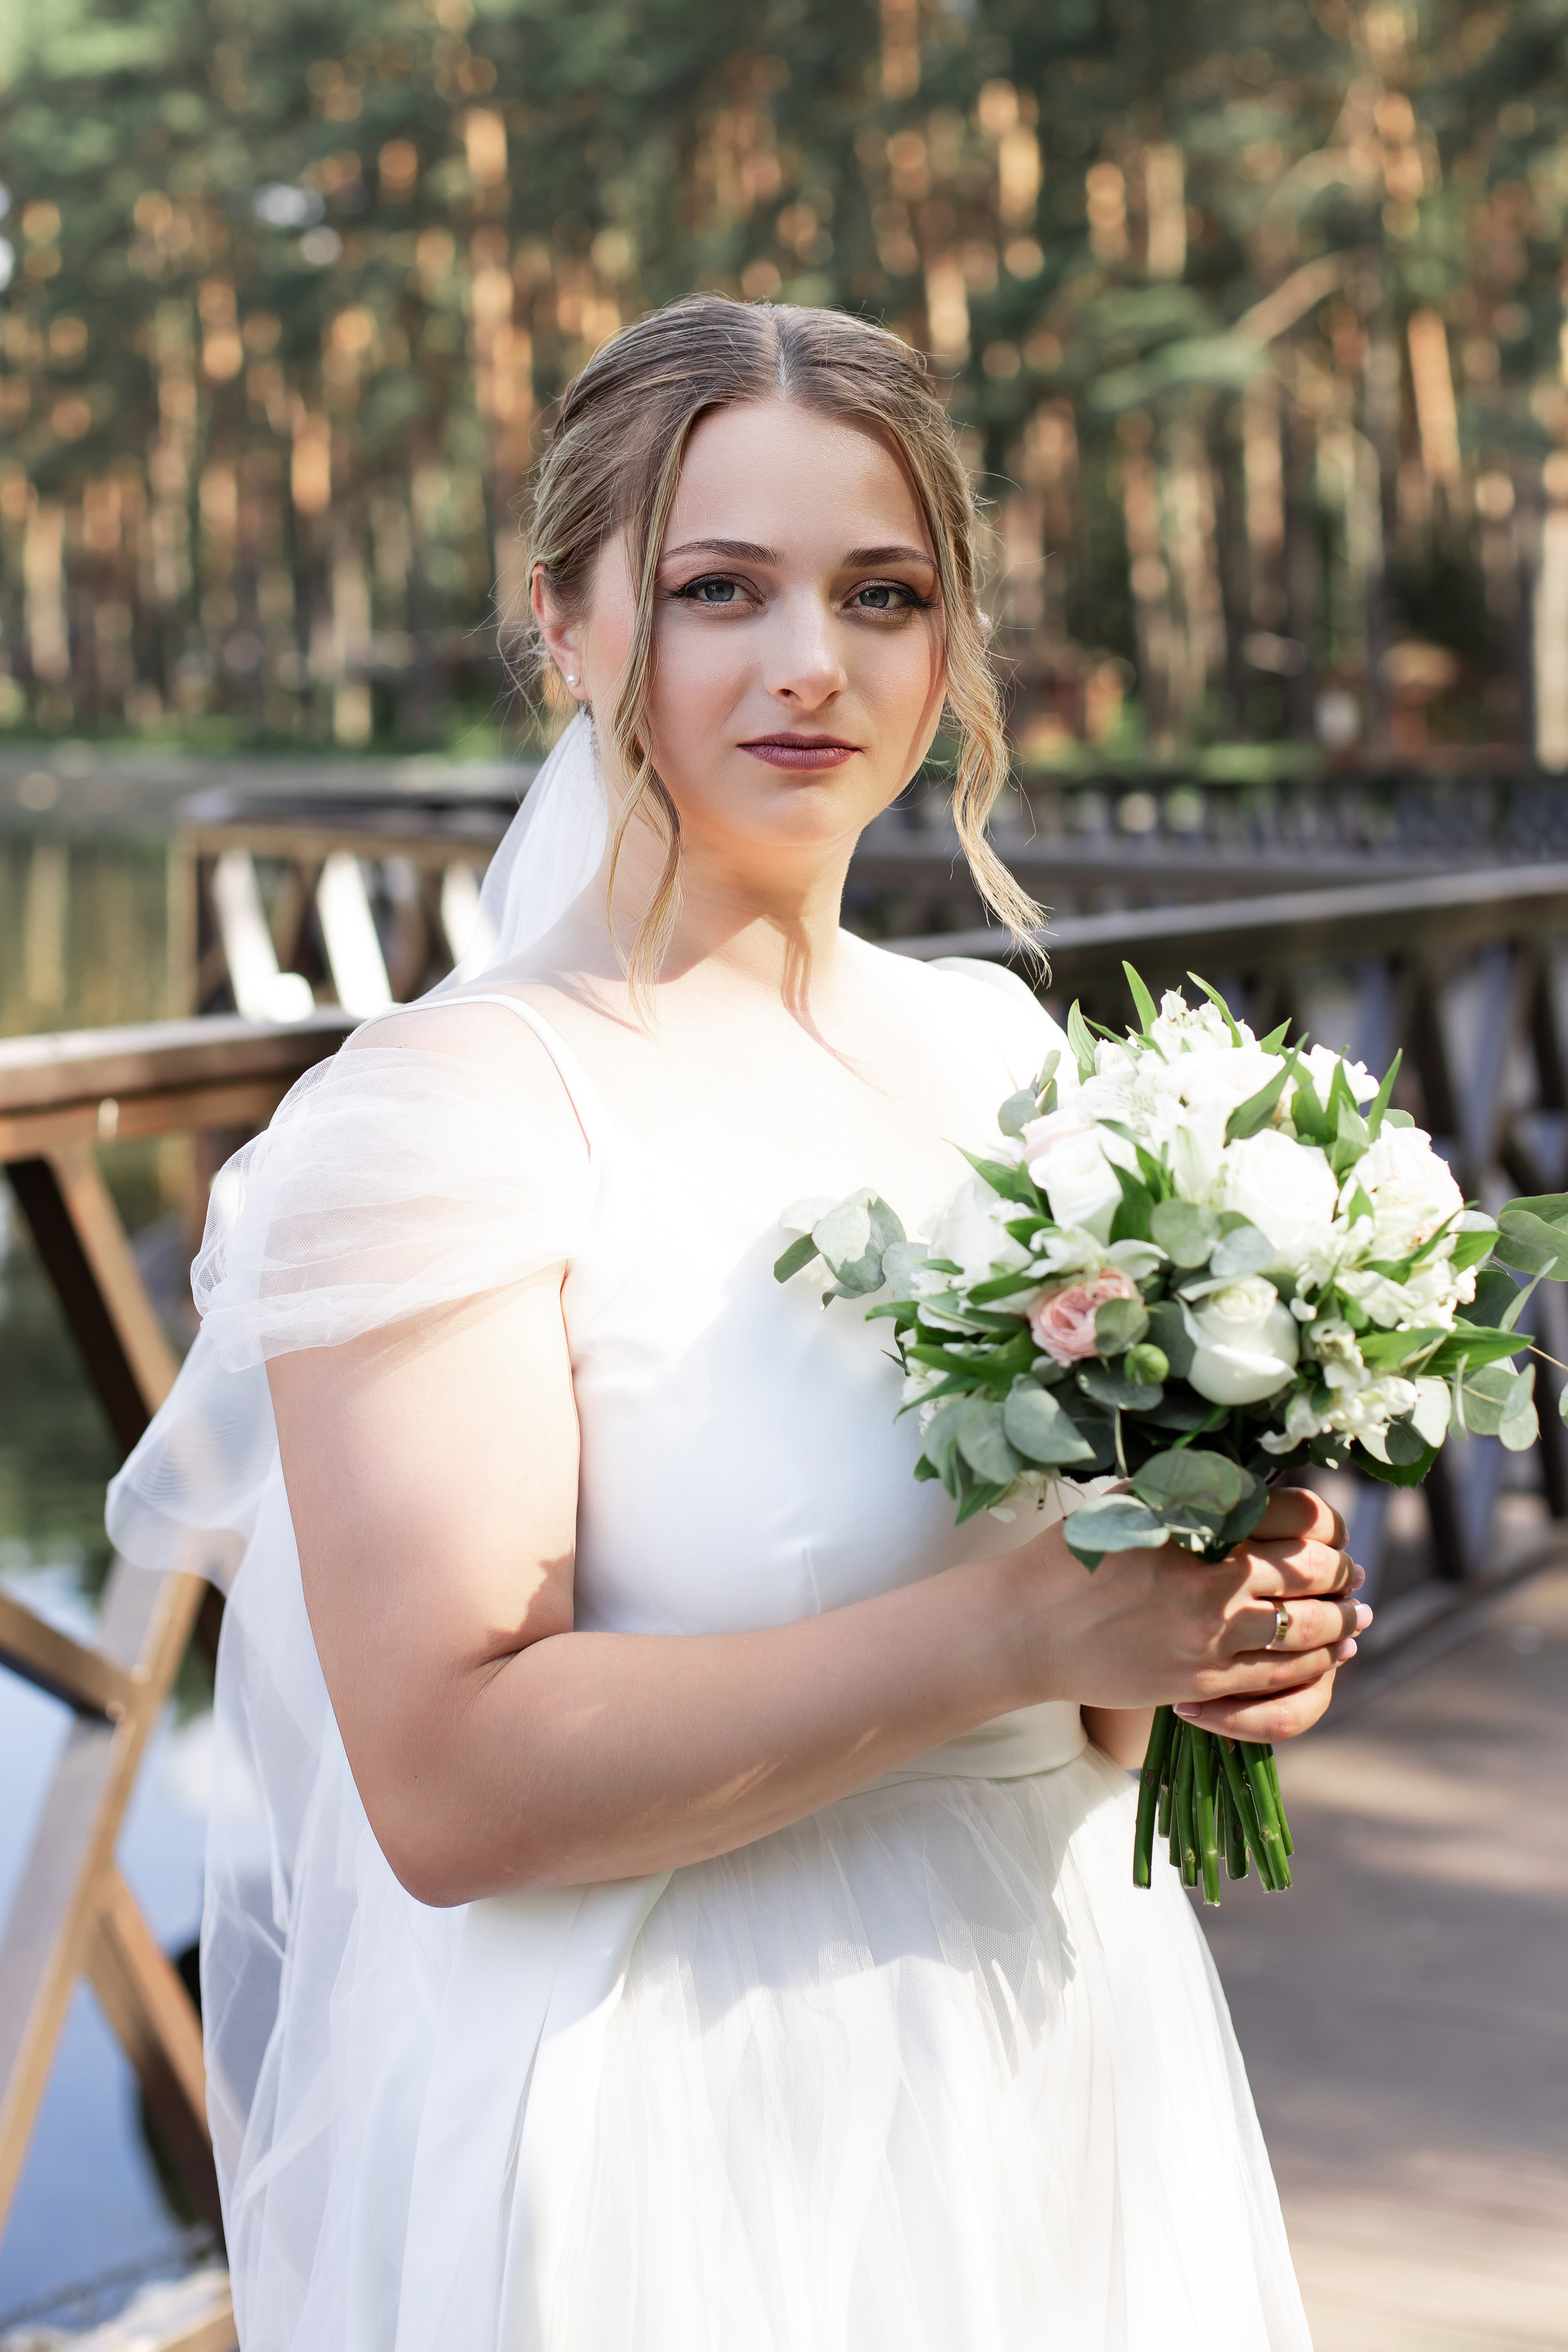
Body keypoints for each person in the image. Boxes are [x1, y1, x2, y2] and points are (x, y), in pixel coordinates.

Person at [111, 296, 1365, 2351]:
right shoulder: (448, 1116)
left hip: (1062, 2046)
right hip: (692, 2132)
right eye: (719, 590)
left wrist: (1214, 1628)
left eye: (883, 593)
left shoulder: (1002, 1056)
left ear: (946, 648)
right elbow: (446, 1784)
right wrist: (1025, 1626)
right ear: (570, 627)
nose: (813, 663)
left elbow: (1086, 1694)